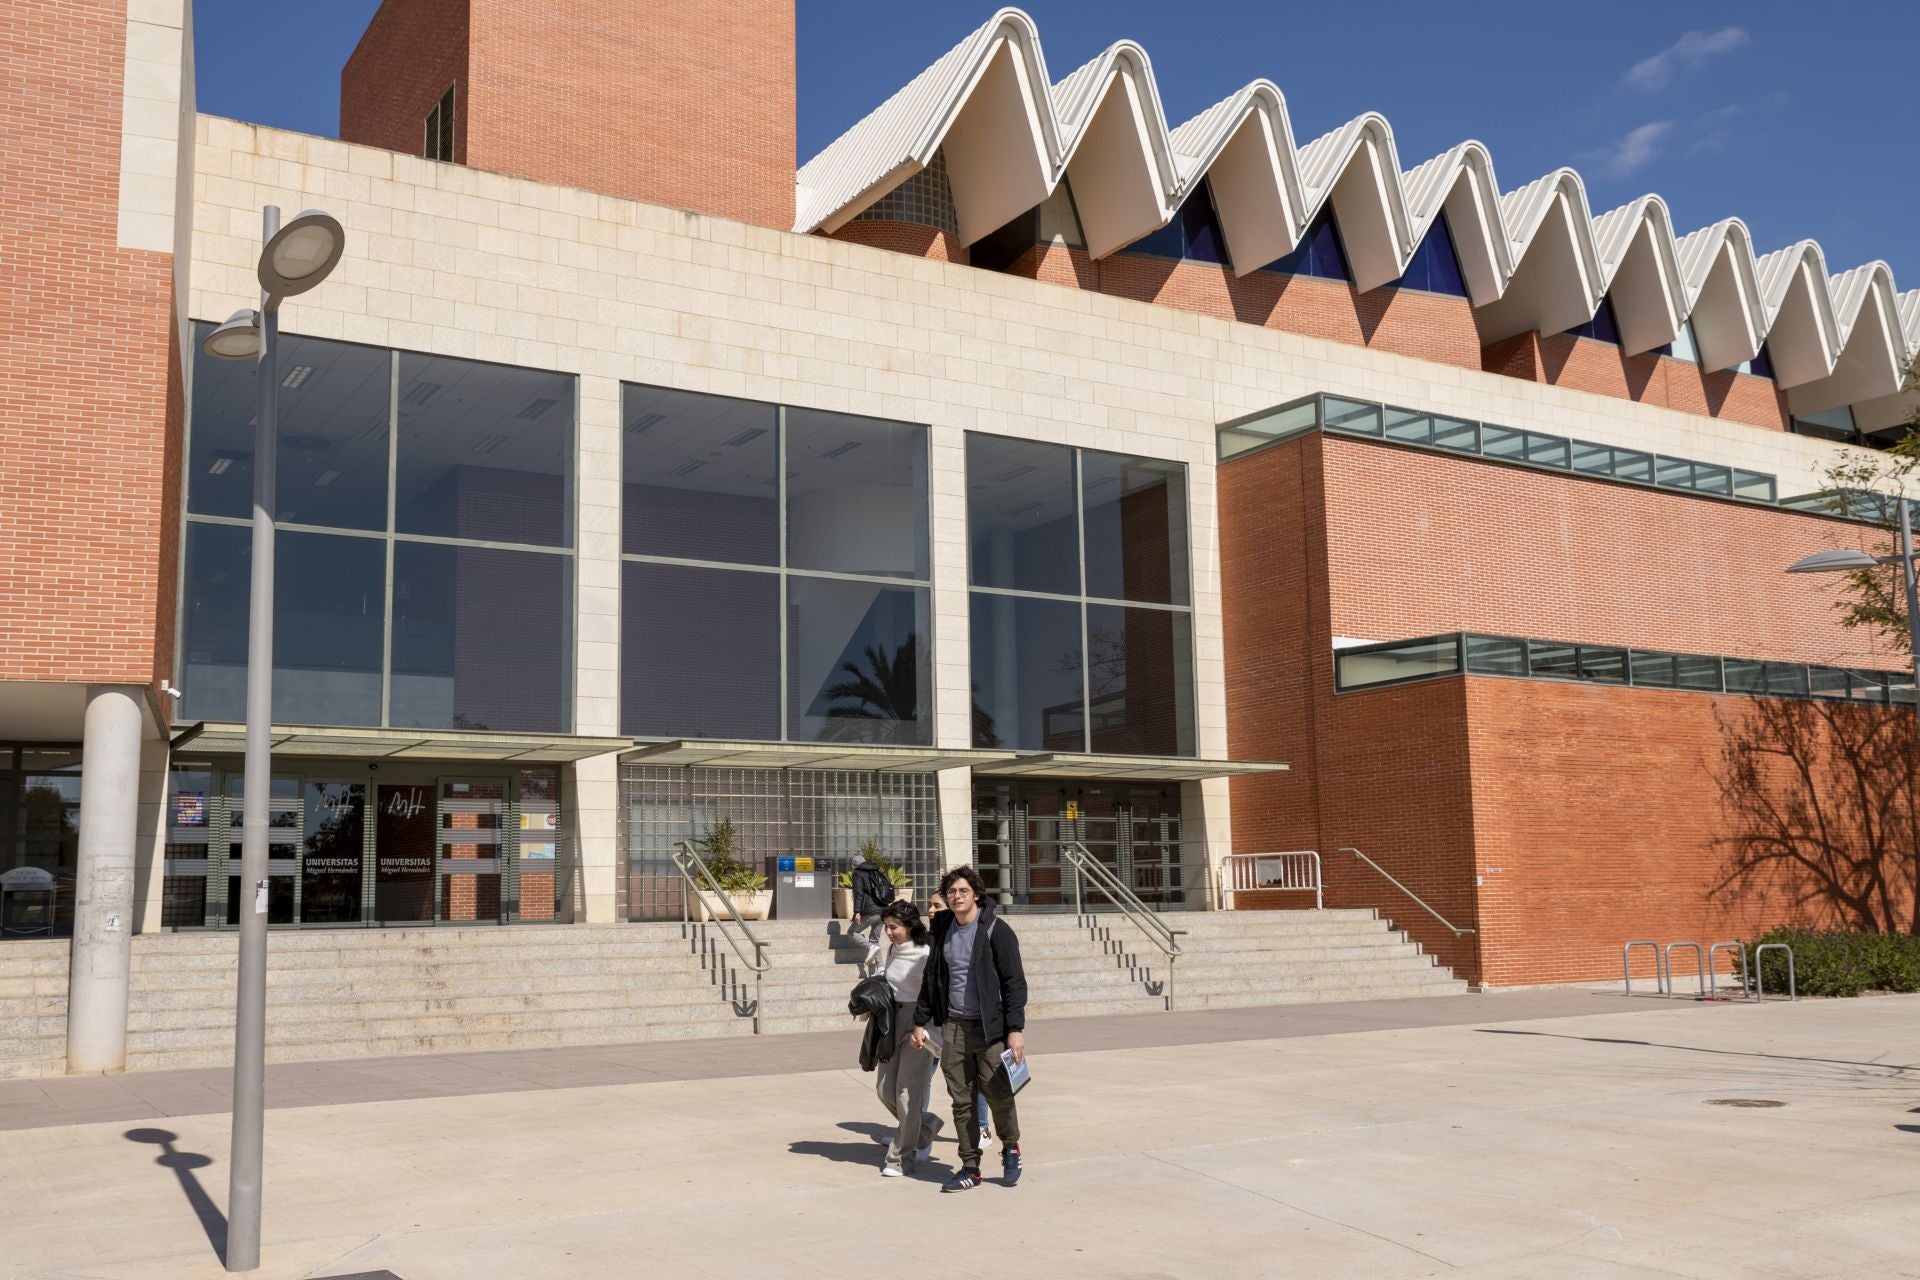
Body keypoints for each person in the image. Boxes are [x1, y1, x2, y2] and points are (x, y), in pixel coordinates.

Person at [912, 865, 1027, 1192]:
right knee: (961, 1101)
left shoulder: (997, 931)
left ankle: (1011, 1147)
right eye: (951, 892)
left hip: (990, 1029)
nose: (957, 896)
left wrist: (1015, 1029)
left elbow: (1015, 983)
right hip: (954, 1026)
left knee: (998, 1094)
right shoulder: (942, 929)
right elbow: (932, 979)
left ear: (975, 894)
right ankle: (970, 1167)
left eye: (963, 891)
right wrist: (920, 1021)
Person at [864, 900, 944, 1176]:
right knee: (885, 1089)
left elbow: (933, 994)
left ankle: (900, 1159)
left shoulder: (925, 953)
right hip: (890, 1021)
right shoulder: (892, 949)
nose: (888, 932)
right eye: (886, 926)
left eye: (894, 927)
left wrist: (924, 1027)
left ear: (910, 926)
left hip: (919, 1023)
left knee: (907, 1094)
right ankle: (925, 1126)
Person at [927, 887, 992, 1151]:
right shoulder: (933, 937)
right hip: (934, 1021)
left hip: (959, 1021)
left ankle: (982, 1126)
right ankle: (916, 1127)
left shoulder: (963, 936)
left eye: (937, 906)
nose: (931, 911)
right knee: (923, 1077)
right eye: (929, 906)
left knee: (972, 1080)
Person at [849, 853, 894, 958]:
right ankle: (880, 966)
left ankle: (870, 947)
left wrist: (857, 912)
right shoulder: (878, 871)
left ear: (854, 865)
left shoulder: (857, 874)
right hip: (883, 910)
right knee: (875, 940)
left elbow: (858, 894)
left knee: (852, 932)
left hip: (871, 911)